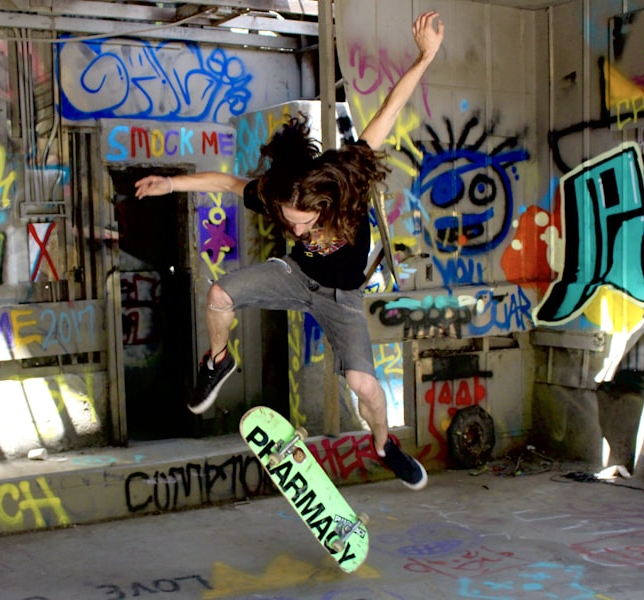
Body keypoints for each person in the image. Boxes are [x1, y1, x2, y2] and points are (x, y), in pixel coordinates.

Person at [135, 10, 444, 490]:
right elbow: (224, 180)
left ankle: (384, 445)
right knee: (219, 295)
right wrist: (169, 182)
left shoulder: (345, 177)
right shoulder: (274, 192)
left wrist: (425, 56)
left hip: (343, 297)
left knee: (366, 388)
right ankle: (218, 362)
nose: (294, 226)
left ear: (321, 202)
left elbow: (388, 109)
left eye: (302, 221)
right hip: (296, 277)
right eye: (287, 219)